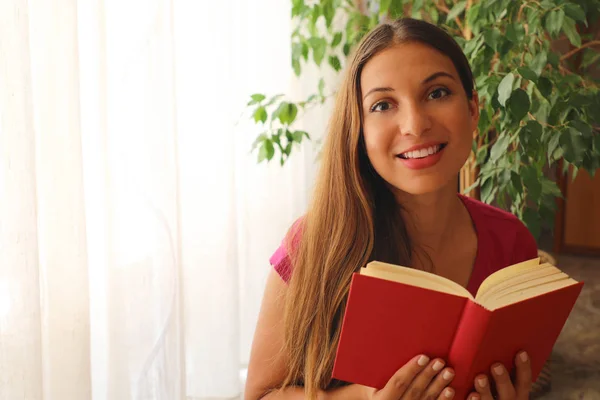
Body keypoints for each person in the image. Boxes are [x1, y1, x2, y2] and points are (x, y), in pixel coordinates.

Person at [245, 17, 538, 400]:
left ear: (472, 109)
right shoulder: (313, 242)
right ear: (359, 130)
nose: (414, 125)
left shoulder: (513, 244)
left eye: (437, 93)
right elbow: (260, 395)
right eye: (383, 104)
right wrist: (364, 397)